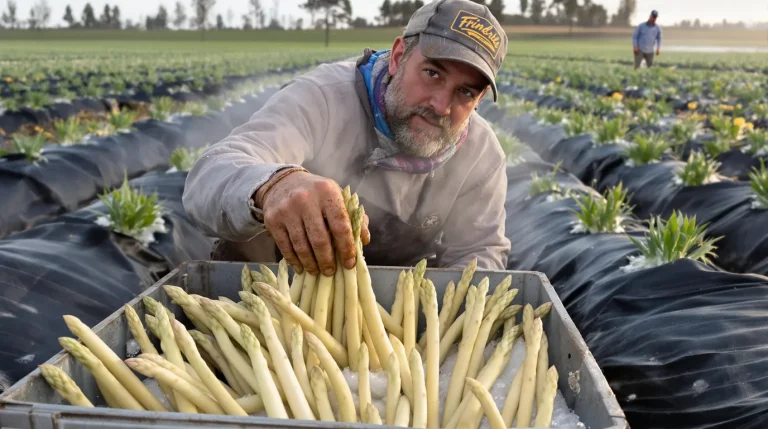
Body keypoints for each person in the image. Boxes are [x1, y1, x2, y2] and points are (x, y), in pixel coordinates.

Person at [183, 0, 511, 278]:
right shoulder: (322, 98)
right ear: (398, 57)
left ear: (479, 99)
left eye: (465, 92)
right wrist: (274, 185)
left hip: (394, 312)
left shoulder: (480, 154)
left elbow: (478, 251)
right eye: (432, 73)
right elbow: (210, 176)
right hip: (278, 289)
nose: (440, 106)